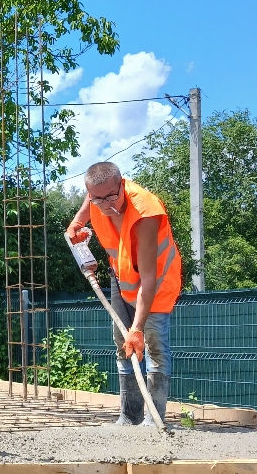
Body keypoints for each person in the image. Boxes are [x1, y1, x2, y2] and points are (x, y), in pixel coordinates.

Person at [66, 161, 181, 425]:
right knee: (122, 344)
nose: (106, 205)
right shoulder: (96, 196)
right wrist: (76, 224)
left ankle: (154, 421)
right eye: (98, 199)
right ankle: (128, 418)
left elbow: (149, 279)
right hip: (123, 278)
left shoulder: (145, 212)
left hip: (157, 284)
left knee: (153, 348)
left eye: (112, 196)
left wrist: (138, 327)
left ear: (122, 184)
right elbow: (89, 205)